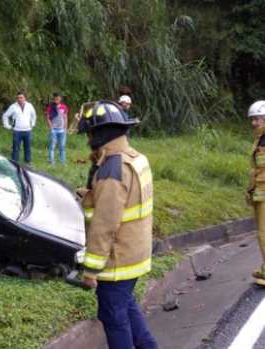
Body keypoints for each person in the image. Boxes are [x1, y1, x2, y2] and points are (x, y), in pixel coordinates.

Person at [77, 100, 157, 349]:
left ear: (100, 134)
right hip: (136, 254)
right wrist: (91, 195)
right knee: (126, 306)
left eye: (90, 133)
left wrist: (90, 271)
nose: (88, 139)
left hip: (117, 261)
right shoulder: (135, 158)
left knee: (114, 317)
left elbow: (105, 225)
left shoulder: (111, 170)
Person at [247, 100, 265, 287]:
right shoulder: (260, 138)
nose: (254, 123)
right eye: (252, 119)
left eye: (257, 119)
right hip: (259, 192)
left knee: (263, 233)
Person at [2, 91, 37, 165]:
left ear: (25, 98)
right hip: (17, 131)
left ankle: (27, 162)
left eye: (21, 97)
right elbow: (5, 116)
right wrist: (8, 126)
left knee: (27, 148)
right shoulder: (13, 106)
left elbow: (34, 115)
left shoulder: (29, 105)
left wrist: (33, 124)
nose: (19, 99)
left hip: (27, 130)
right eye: (18, 98)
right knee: (16, 148)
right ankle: (15, 163)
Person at [45, 92, 69, 165]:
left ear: (60, 99)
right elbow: (48, 118)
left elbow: (65, 117)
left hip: (62, 129)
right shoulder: (50, 107)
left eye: (58, 98)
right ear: (53, 99)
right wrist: (51, 128)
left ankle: (63, 162)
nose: (56, 99)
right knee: (52, 146)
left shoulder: (64, 107)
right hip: (54, 129)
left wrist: (65, 128)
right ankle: (51, 161)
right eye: (55, 98)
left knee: (62, 146)